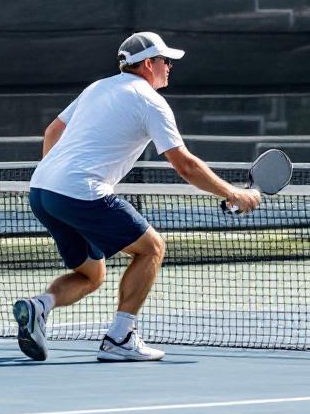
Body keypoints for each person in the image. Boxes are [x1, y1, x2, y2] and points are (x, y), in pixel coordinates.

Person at [14, 31, 262, 362]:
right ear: (148, 64)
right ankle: (120, 338)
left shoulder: (98, 87)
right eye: (166, 61)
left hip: (42, 190)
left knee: (92, 275)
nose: (170, 67)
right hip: (80, 191)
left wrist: (56, 175)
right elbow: (185, 166)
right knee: (152, 249)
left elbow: (52, 132)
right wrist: (233, 192)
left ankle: (38, 306)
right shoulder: (149, 101)